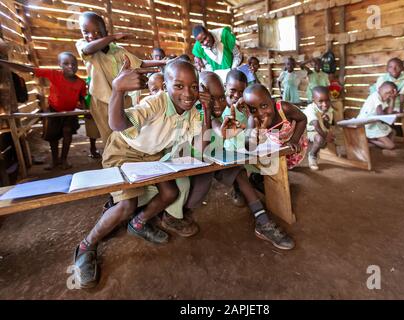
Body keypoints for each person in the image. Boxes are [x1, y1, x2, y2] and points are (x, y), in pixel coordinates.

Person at [73, 59, 211, 288]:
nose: (188, 93)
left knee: (170, 193)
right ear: (166, 86)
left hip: (152, 155)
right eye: (179, 86)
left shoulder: (193, 112)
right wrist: (117, 89)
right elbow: (117, 124)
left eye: (194, 86)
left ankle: (138, 223)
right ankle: (86, 246)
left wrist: (206, 110)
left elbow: (203, 147)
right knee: (126, 205)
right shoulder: (155, 102)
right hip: (124, 151)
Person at [184, 72, 296, 251]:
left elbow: (236, 140)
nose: (220, 103)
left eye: (221, 97)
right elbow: (204, 145)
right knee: (188, 204)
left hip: (222, 160)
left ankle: (263, 221)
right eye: (213, 99)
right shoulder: (194, 112)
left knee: (240, 173)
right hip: (195, 165)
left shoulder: (233, 112)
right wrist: (206, 110)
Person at [76, 11, 168, 143]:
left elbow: (140, 63)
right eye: (86, 32)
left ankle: (128, 158)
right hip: (101, 101)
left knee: (128, 132)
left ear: (105, 31)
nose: (91, 36)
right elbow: (89, 49)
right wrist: (113, 37)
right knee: (109, 137)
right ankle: (112, 161)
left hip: (122, 98)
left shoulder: (118, 50)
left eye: (97, 32)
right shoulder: (84, 46)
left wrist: (163, 62)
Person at [0, 52, 86, 170]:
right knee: (53, 138)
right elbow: (28, 69)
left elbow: (81, 96)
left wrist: (84, 108)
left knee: (68, 133)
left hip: (69, 113)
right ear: (59, 65)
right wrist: (3, 62)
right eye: (66, 64)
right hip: (53, 111)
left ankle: (64, 159)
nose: (70, 66)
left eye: (74, 64)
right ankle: (55, 160)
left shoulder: (81, 82)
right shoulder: (54, 74)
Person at [243, 84, 308, 170]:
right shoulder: (253, 120)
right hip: (278, 142)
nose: (260, 113)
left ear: (272, 101)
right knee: (278, 164)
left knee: (291, 157)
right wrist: (252, 139)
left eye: (264, 106)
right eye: (253, 110)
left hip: (296, 136)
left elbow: (302, 119)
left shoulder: (284, 108)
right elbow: (248, 147)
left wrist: (294, 140)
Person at [358, 81, 398, 150]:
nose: (388, 95)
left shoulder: (383, 100)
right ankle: (371, 140)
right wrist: (389, 117)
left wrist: (392, 100)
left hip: (374, 124)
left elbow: (388, 113)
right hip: (366, 125)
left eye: (390, 94)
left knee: (393, 132)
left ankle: (378, 145)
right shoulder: (375, 96)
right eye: (387, 93)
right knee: (391, 146)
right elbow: (381, 115)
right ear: (379, 89)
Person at [303, 86, 335, 171]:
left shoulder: (329, 109)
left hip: (321, 129)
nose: (325, 104)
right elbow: (316, 126)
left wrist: (326, 122)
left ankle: (329, 149)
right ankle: (312, 155)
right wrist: (326, 137)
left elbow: (328, 126)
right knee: (320, 139)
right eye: (320, 101)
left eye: (327, 100)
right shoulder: (311, 109)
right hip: (308, 131)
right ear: (314, 100)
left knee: (334, 135)